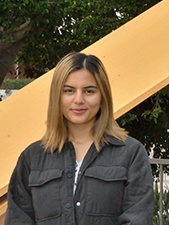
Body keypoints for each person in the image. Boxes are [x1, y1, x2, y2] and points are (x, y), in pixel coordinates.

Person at [5, 52, 154, 225]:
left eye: (89, 91)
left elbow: (138, 219)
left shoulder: (130, 154)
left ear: (103, 96)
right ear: (57, 96)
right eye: (69, 91)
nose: (78, 100)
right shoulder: (32, 158)